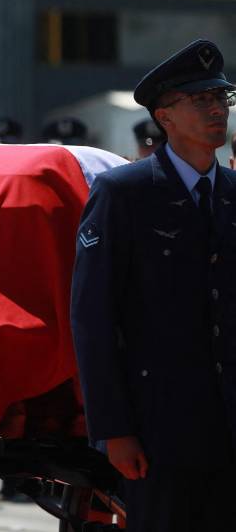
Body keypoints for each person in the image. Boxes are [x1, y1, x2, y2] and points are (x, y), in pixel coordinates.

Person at [71, 39, 236, 531]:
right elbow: (93, 317)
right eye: (200, 100)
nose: (215, 110)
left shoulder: (232, 195)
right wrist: (113, 430)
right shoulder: (125, 193)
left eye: (221, 98)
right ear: (164, 116)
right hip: (160, 425)